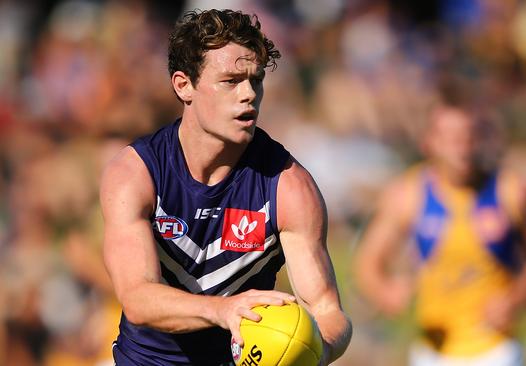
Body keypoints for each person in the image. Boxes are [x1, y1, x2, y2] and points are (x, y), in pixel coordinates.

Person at [100, 9, 351, 366]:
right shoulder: (136, 172)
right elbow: (137, 298)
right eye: (230, 81)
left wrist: (313, 349)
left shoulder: (288, 186)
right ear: (183, 85)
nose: (248, 94)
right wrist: (223, 310)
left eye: (256, 80)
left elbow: (329, 312)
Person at [354, 103, 526, 365]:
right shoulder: (409, 195)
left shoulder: (510, 192)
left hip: (496, 348)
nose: (462, 148)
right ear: (429, 143)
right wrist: (387, 293)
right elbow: (368, 262)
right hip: (433, 350)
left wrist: (515, 298)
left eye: (469, 137)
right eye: (451, 139)